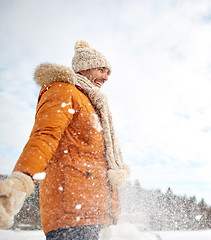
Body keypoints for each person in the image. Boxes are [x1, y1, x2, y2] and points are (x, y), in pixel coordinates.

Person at [0, 40, 130, 239]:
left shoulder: (92, 102)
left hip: (95, 213)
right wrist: (23, 178)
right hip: (71, 213)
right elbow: (45, 136)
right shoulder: (63, 90)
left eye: (108, 73)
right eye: (101, 70)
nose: (105, 77)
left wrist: (111, 212)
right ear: (84, 68)